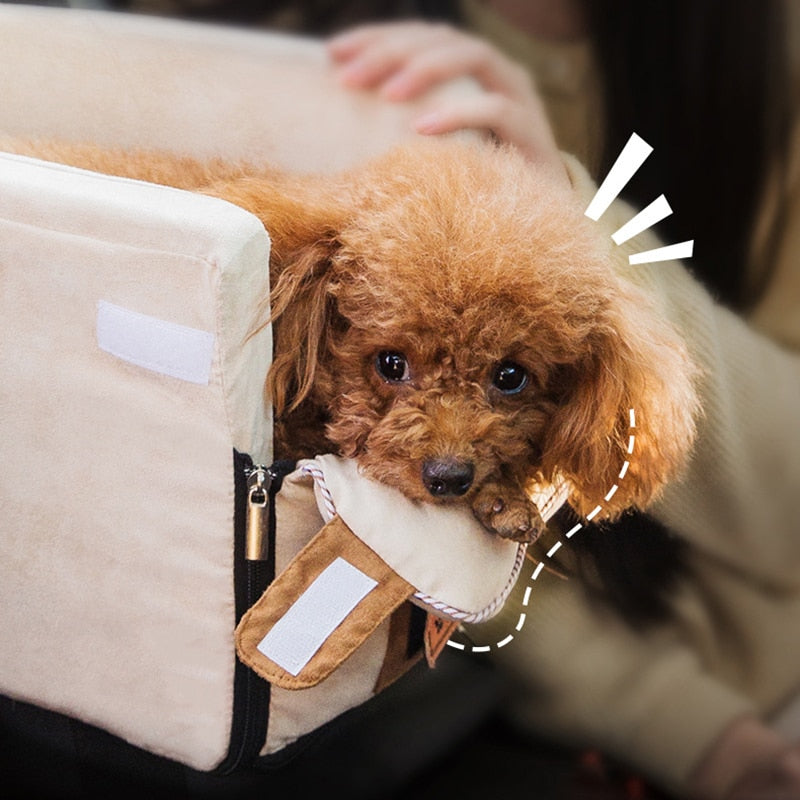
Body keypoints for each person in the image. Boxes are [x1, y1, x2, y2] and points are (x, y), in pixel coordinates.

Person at [321, 3, 800, 799]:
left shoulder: (768, 52)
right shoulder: (282, 36)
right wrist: (691, 728)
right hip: (436, 695)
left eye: (511, 377)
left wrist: (583, 238)